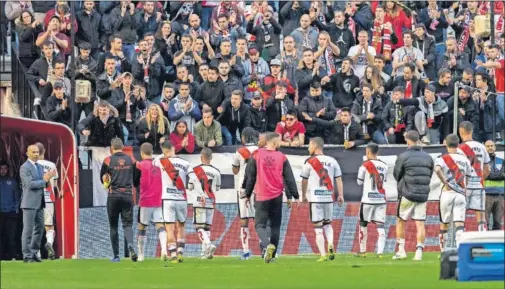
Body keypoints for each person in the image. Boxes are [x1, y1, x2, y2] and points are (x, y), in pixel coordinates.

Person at [244, 132, 299, 263]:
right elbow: (289, 178)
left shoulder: (256, 155)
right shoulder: (282, 157)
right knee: (275, 226)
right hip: (277, 196)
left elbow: (251, 177)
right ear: (274, 143)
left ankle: (266, 244)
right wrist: (294, 195)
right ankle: (272, 256)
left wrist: (247, 194)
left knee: (260, 225)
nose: (280, 143)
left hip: (262, 196)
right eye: (279, 141)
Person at [393, 131, 434, 261]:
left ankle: (401, 250)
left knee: (400, 221)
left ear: (407, 140)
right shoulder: (428, 157)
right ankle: (419, 252)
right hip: (422, 195)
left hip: (407, 194)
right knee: (420, 223)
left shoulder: (403, 156)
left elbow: (396, 174)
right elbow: (430, 174)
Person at [300, 137, 344, 262]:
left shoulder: (309, 162)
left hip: (316, 198)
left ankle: (323, 254)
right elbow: (339, 179)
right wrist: (340, 195)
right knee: (328, 224)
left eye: (309, 145)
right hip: (329, 197)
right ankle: (330, 243)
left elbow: (304, 180)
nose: (309, 148)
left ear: (314, 146)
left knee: (318, 227)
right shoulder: (332, 161)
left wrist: (303, 195)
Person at [154, 140, 196, 263]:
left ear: (165, 151)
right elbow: (193, 178)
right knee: (181, 226)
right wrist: (190, 185)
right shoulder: (185, 163)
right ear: (174, 149)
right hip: (181, 198)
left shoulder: (162, 161)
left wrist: (163, 154)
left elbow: (153, 161)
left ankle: (172, 254)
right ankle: (180, 252)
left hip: (167, 199)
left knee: (169, 228)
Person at [100, 138, 137, 262]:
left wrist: (107, 182)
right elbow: (136, 176)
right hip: (127, 195)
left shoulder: (108, 160)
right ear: (122, 147)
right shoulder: (131, 159)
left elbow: (103, 178)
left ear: (112, 147)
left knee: (113, 226)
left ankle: (116, 256)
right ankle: (130, 246)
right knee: (127, 224)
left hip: (113, 196)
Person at [434, 134, 472, 252]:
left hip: (447, 193)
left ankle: (443, 250)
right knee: (459, 223)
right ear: (458, 144)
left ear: (446, 144)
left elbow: (437, 169)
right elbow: (469, 176)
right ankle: (459, 250)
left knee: (444, 223)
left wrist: (444, 181)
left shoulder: (442, 158)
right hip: (460, 193)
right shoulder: (465, 160)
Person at [20, 145, 56, 263]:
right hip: (29, 203)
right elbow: (29, 184)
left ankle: (34, 252)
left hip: (40, 203)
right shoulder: (24, 167)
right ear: (27, 153)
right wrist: (45, 180)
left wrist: (48, 179)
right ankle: (27, 255)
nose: (36, 154)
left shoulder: (40, 167)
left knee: (40, 229)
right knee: (28, 230)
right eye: (33, 152)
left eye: (37, 152)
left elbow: (43, 184)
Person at [133, 143, 166, 262]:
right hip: (158, 199)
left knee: (142, 226)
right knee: (160, 225)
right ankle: (164, 250)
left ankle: (141, 255)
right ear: (152, 152)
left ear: (142, 153)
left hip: (145, 200)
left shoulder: (139, 165)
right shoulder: (158, 164)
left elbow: (135, 182)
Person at [355, 143, 388, 258]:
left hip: (368, 199)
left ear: (368, 152)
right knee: (380, 226)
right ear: (377, 152)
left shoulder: (365, 165)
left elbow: (359, 181)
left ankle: (363, 251)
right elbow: (384, 181)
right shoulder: (385, 166)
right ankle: (380, 253)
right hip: (380, 199)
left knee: (363, 224)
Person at [457, 121, 491, 231]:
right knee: (481, 216)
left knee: (460, 216)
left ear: (461, 132)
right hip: (478, 186)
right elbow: (488, 168)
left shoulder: (459, 149)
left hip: (464, 187)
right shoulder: (481, 146)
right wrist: (480, 179)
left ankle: (460, 241)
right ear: (471, 131)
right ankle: (482, 239)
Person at [232, 127, 259, 260]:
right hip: (258, 187)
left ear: (243, 138)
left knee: (244, 219)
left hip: (243, 188)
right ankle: (265, 248)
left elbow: (235, 171)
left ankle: (246, 251)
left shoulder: (239, 152)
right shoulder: (260, 151)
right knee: (259, 219)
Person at [190, 148, 221, 259]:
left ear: (201, 157)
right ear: (211, 158)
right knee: (207, 228)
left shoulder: (194, 170)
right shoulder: (216, 171)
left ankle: (208, 244)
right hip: (211, 202)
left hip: (199, 201)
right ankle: (204, 253)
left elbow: (190, 186)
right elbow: (217, 188)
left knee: (199, 227)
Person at [34, 142, 59, 260]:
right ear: (44, 151)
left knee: (36, 227)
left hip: (35, 199)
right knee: (49, 226)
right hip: (49, 199)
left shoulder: (31, 165)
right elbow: (55, 185)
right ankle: (49, 242)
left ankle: (37, 253)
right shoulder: (52, 165)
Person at [0, 161, 21, 261]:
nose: (3, 171)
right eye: (1, 168)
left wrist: (16, 209)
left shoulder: (12, 181)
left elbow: (17, 196)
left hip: (11, 213)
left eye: (5, 168)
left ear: (8, 170)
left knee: (11, 236)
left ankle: (13, 256)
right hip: (1, 213)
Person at [484, 140, 504, 231]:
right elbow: (484, 174)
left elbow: (488, 174)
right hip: (486, 195)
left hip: (500, 195)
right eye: (488, 146)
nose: (490, 148)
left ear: (495, 147)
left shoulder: (502, 161)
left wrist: (489, 175)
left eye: (492, 146)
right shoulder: (481, 162)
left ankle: (495, 244)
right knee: (485, 223)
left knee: (498, 223)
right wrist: (499, 175)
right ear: (484, 148)